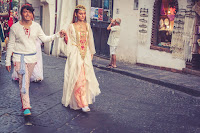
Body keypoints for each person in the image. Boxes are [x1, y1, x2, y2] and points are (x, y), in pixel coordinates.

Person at [5, 3, 65, 116]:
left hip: (32, 58)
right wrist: (8, 61)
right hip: (18, 58)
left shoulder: (36, 26)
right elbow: (11, 45)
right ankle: (26, 106)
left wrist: (58, 35)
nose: (27, 14)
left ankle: (25, 102)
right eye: (24, 11)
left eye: (29, 11)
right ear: (21, 13)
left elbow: (45, 38)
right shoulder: (15, 27)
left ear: (32, 14)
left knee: (26, 82)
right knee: (24, 81)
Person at [62, 5, 101, 112]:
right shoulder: (71, 26)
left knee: (85, 79)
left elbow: (90, 41)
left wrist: (91, 53)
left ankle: (83, 100)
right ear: (76, 14)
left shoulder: (87, 26)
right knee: (77, 78)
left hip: (86, 55)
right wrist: (65, 37)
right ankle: (81, 102)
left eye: (84, 14)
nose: (82, 16)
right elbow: (68, 41)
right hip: (75, 54)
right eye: (80, 14)